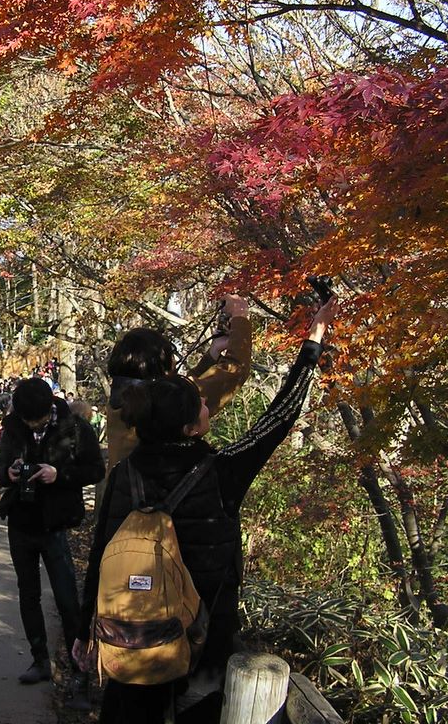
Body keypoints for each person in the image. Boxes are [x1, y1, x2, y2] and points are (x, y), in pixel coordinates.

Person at [72, 296, 338, 723]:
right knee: (198, 708)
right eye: (200, 406)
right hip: (202, 632)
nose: (206, 406)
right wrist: (314, 340)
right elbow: (281, 413)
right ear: (192, 427)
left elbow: (101, 557)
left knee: (129, 710)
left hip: (131, 629)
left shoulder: (123, 472)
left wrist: (85, 628)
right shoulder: (221, 472)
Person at [0, 378, 105, 705]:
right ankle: (40, 659)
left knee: (68, 599)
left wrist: (59, 474)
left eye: (37, 421)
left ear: (49, 410)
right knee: (27, 594)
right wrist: (8, 474)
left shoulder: (75, 428)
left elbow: (96, 470)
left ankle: (78, 673)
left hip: (55, 524)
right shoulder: (12, 427)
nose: (31, 425)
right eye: (27, 420)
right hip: (21, 522)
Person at [105, 294, 252, 477]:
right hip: (158, 500)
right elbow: (235, 372)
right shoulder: (161, 402)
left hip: (120, 497)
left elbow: (181, 388)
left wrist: (214, 352)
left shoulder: (124, 395)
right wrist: (240, 317)